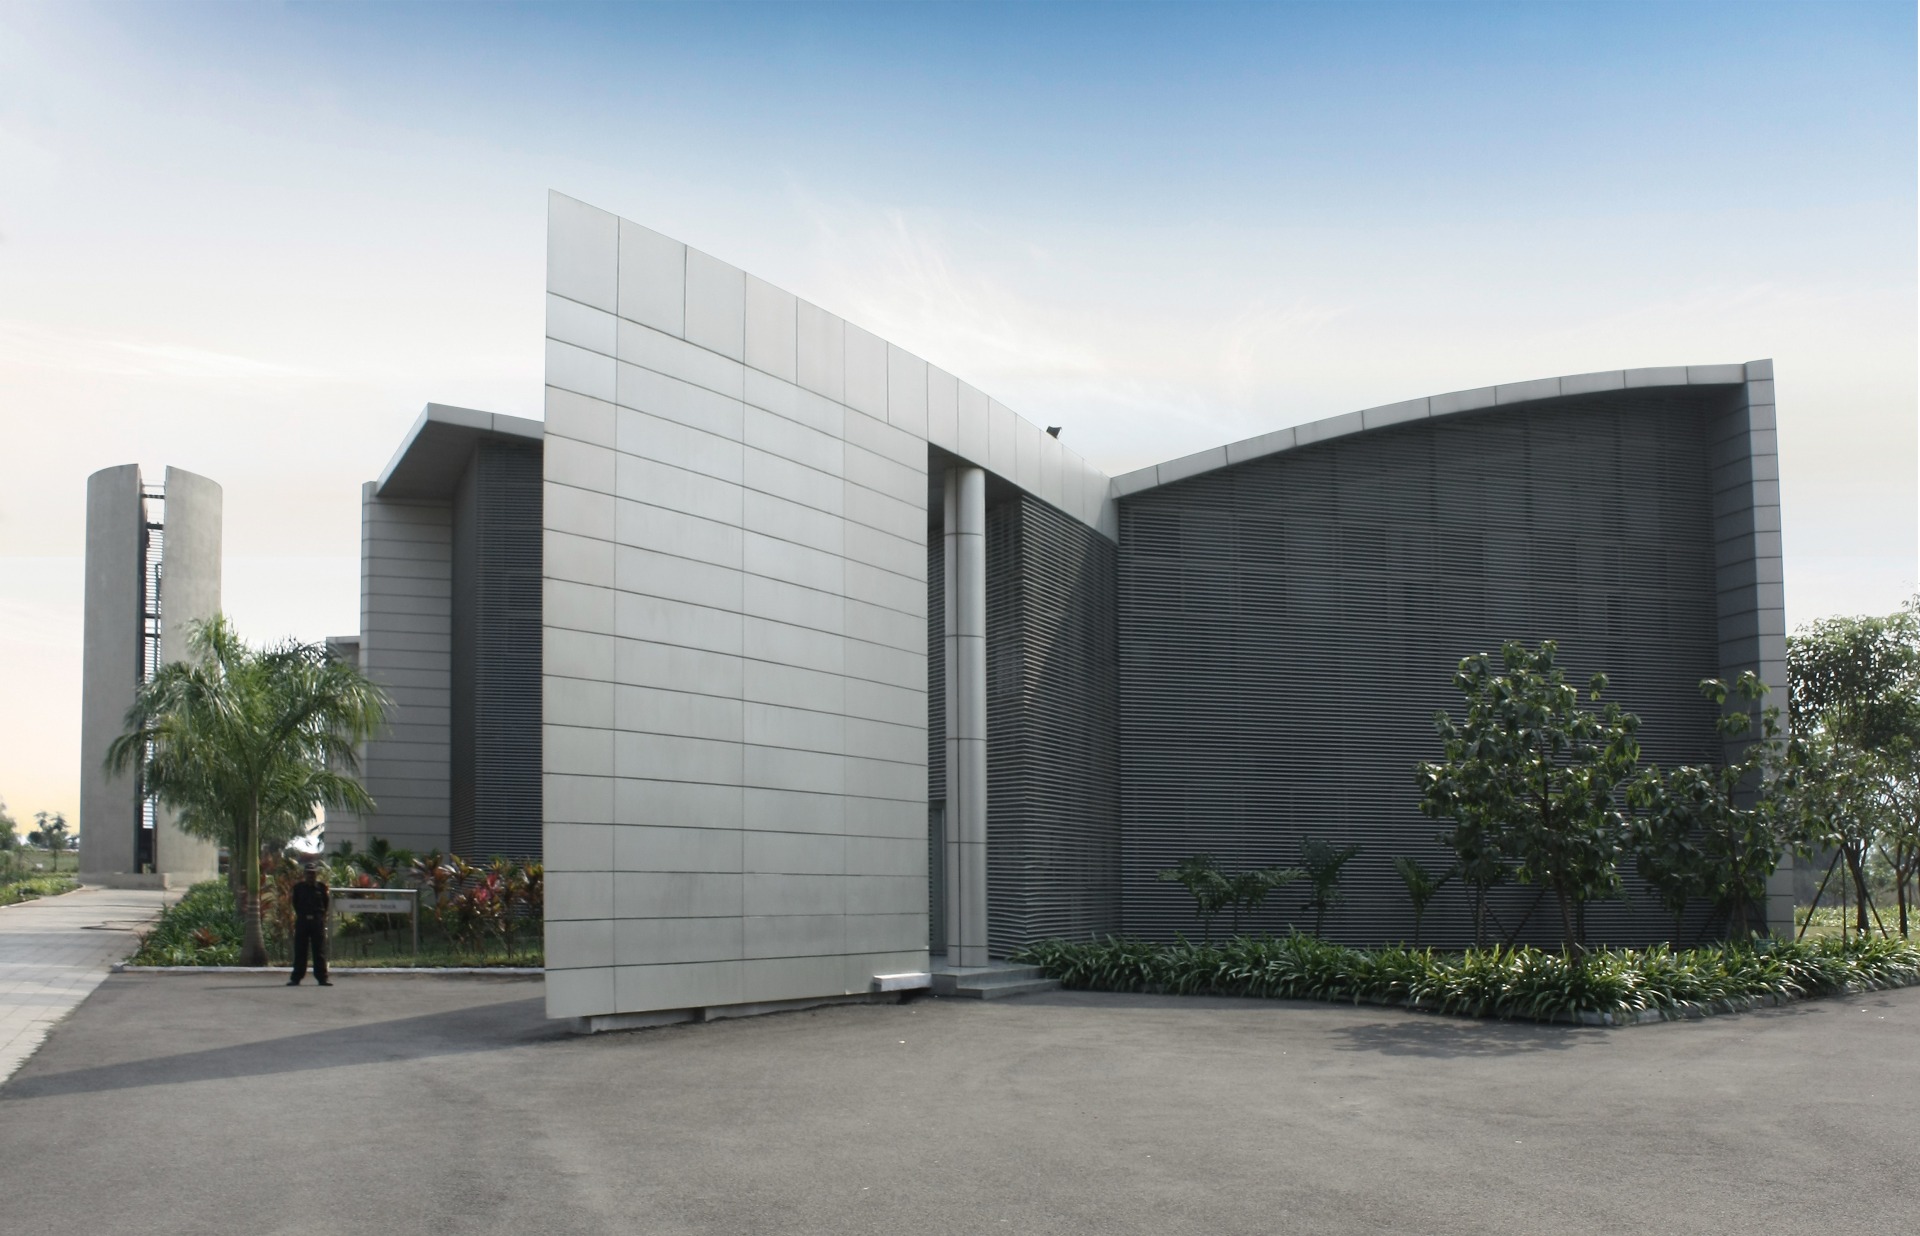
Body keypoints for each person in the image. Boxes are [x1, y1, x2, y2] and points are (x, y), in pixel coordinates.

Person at [288, 860, 331, 986]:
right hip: (303, 921)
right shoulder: (298, 888)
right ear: (304, 874)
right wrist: (303, 915)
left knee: (319, 950)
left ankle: (322, 978)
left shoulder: (321, 888)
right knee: (300, 950)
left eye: (313, 873)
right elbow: (295, 904)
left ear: (316, 874)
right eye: (308, 873)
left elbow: (325, 903)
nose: (311, 875)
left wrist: (318, 917)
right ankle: (296, 978)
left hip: (317, 921)